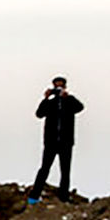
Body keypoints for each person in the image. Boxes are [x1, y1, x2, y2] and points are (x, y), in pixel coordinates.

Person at [27, 73, 84, 202]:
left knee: (65, 171)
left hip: (66, 142)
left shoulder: (70, 102)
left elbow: (80, 107)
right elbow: (39, 114)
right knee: (44, 168)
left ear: (65, 87)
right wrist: (46, 98)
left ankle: (64, 197)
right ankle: (35, 195)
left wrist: (68, 97)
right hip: (51, 142)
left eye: (61, 86)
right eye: (56, 86)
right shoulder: (50, 103)